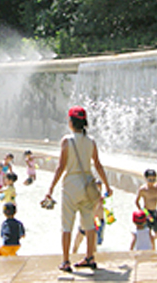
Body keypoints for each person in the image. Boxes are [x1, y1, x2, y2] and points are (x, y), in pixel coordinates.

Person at [44, 106, 112, 273]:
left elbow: (61, 167)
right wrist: (107, 185)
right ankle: (90, 257)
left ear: (70, 123)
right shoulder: (91, 142)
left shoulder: (67, 141)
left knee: (67, 225)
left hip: (71, 186)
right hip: (88, 184)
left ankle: (66, 261)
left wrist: (50, 188)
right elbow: (97, 164)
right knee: (89, 223)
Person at [72, 180, 105, 254]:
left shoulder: (98, 199)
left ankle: (91, 257)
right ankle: (74, 255)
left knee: (92, 247)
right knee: (78, 244)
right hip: (88, 221)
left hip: (94, 222)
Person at [135, 169, 157, 240]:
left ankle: (151, 240)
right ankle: (149, 244)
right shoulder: (143, 189)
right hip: (147, 213)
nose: (151, 182)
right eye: (150, 180)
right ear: (146, 179)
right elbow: (137, 201)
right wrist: (141, 211)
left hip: (154, 212)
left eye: (153, 180)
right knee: (147, 231)